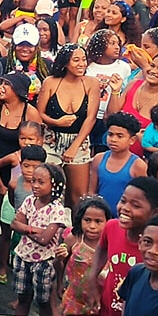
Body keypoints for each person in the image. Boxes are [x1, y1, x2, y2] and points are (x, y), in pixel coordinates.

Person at [88, 176, 158, 316]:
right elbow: (102, 248)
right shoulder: (111, 227)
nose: (125, 208)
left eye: (136, 206)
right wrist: (93, 278)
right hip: (108, 313)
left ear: (155, 213)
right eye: (123, 201)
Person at [38, 44, 101, 207]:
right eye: (76, 60)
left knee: (78, 196)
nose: (81, 64)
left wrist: (74, 146)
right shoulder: (50, 82)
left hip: (79, 140)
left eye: (84, 60)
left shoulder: (91, 83)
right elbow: (40, 114)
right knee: (48, 193)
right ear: (65, 62)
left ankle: (74, 224)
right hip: (52, 140)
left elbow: (91, 118)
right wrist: (56, 122)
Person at [9, 163, 68, 316]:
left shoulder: (57, 209)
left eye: (41, 182)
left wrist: (24, 227)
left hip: (44, 262)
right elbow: (14, 224)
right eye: (33, 181)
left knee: (43, 301)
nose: (35, 185)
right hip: (23, 257)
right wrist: (33, 229)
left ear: (54, 185)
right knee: (23, 298)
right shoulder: (29, 201)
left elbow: (45, 240)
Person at [56, 195, 111, 316]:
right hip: (74, 301)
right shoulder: (74, 240)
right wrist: (59, 260)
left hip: (100, 302)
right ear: (80, 220)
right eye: (87, 220)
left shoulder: (111, 244)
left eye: (98, 221)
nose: (92, 226)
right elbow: (59, 265)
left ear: (108, 222)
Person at [89, 112, 147, 215]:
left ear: (132, 140)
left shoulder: (138, 165)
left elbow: (142, 197)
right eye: (110, 134)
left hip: (125, 217)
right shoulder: (99, 159)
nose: (113, 140)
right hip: (101, 216)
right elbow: (92, 191)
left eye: (120, 136)